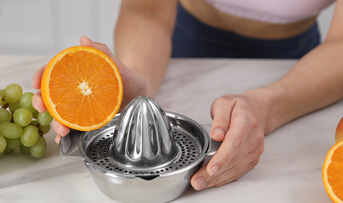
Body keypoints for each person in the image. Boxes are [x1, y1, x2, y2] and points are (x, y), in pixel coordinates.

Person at [32, 0, 343, 191]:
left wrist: (267, 107)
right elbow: (147, 8)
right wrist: (136, 81)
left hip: (304, 62)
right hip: (180, 44)